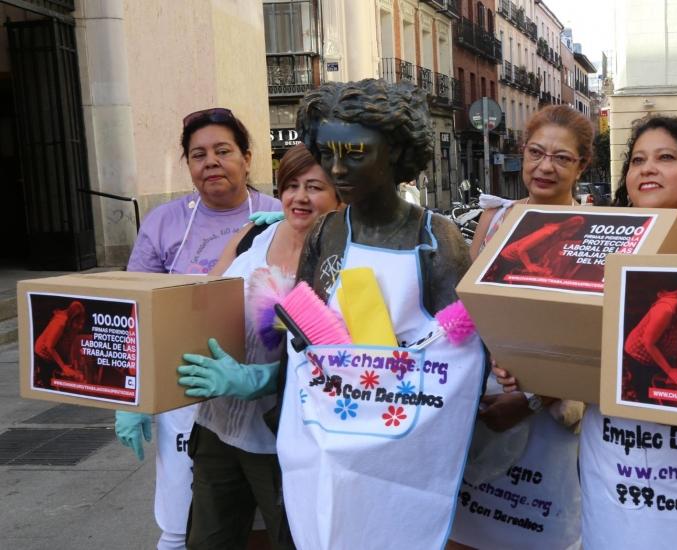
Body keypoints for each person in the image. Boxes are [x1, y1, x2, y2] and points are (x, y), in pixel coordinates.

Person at [496, 116, 677, 549]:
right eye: (638, 160)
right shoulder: (602, 239)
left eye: (665, 158)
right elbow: (573, 345)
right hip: (618, 469)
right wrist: (530, 367)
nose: (647, 168)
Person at [267, 79, 485, 549]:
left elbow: (464, 346)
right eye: (327, 153)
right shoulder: (326, 231)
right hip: (326, 427)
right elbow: (303, 323)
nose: (337, 168)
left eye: (356, 153)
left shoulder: (436, 237)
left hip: (402, 437)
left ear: (398, 155)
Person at [114, 108, 280, 550]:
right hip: (182, 387)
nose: (210, 162)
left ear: (247, 158)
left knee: (266, 519)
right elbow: (137, 308)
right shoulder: (163, 222)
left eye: (223, 151)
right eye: (198, 154)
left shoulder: (280, 215)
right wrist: (132, 395)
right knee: (181, 511)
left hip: (258, 392)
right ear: (187, 165)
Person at [173, 143, 339, 549]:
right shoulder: (253, 236)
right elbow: (202, 302)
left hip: (281, 437)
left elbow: (336, 359)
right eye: (291, 185)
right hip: (216, 426)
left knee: (293, 539)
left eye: (315, 187)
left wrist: (262, 378)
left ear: (339, 196)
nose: (299, 197)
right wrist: (139, 394)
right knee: (208, 540)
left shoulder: (339, 259)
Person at [450, 105, 593, 550]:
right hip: (486, 400)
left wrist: (529, 398)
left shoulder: (601, 230)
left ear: (582, 165)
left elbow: (597, 340)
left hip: (552, 410)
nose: (545, 166)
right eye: (536, 152)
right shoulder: (493, 220)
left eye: (562, 157)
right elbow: (467, 309)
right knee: (474, 525)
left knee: (541, 528)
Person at [622, 276, 677, 398]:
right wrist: (669, 371)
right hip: (639, 356)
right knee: (647, 396)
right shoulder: (665, 310)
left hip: (658, 354)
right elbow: (648, 342)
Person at [33, 300, 86, 387]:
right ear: (72, 318)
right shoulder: (60, 322)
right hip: (42, 353)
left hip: (51, 353)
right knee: (48, 383)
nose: (79, 327)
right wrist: (64, 367)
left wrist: (68, 364)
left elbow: (69, 344)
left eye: (81, 324)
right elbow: (49, 346)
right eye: (77, 323)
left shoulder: (70, 326)